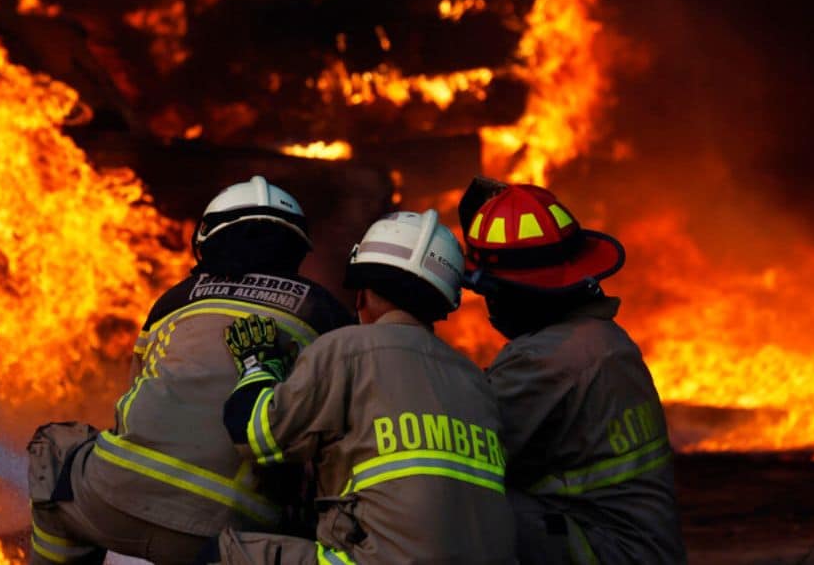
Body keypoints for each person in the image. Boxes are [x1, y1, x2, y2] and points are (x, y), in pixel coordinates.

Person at [27, 175, 352, 565]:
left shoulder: (173, 302)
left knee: (53, 454)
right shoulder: (325, 314)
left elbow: (133, 401)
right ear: (297, 248)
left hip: (115, 503)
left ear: (206, 240)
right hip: (234, 537)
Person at [217, 209, 519, 565]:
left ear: (362, 294)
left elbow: (257, 436)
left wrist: (258, 365)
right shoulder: (477, 380)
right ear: (442, 305)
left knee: (221, 552)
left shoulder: (346, 349)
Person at [457, 177, 687, 564]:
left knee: (455, 504)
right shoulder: (604, 339)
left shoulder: (546, 360)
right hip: (642, 549)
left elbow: (463, 447)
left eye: (491, 292)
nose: (489, 304)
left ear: (516, 294)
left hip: (605, 552)